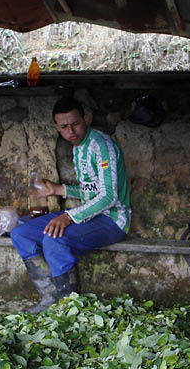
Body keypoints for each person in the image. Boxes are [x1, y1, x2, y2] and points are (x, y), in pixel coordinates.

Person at [10, 97, 131, 313]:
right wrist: (58, 190)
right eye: (64, 126)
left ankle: (70, 309)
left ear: (86, 118)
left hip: (112, 219)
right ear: (57, 127)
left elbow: (109, 196)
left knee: (54, 239)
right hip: (91, 215)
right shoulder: (78, 147)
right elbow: (92, 191)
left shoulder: (102, 146)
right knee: (21, 234)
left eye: (75, 123)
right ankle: (50, 297)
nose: (71, 131)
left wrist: (68, 217)